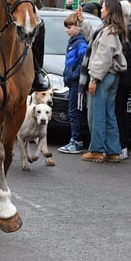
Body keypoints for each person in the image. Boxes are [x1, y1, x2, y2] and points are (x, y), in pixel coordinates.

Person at [80, 0, 127, 163]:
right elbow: (93, 40)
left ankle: (97, 149)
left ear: (109, 11)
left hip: (103, 76)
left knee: (96, 113)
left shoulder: (108, 32)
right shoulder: (111, 29)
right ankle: (113, 150)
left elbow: (102, 57)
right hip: (112, 76)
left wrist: (94, 79)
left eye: (104, 8)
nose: (101, 10)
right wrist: (82, 22)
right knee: (108, 113)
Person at [57, 10, 88, 154]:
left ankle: (76, 140)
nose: (66, 30)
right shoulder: (73, 41)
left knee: (74, 112)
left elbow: (83, 60)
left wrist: (74, 75)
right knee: (73, 111)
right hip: (71, 82)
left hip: (75, 83)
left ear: (77, 26)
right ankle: (75, 139)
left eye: (69, 27)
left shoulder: (80, 42)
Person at [115, 0, 131, 160]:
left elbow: (121, 57)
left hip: (123, 77)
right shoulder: (130, 30)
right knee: (120, 111)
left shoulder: (126, 33)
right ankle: (122, 143)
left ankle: (122, 144)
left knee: (119, 111)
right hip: (127, 76)